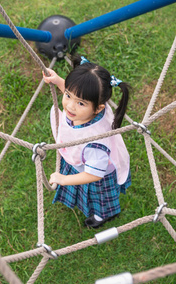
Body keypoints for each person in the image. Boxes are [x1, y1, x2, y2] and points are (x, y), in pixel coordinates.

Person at [43, 55, 131, 228]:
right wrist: (59, 81)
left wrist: (63, 179)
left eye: (81, 103)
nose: (69, 106)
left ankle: (102, 216)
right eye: (68, 95)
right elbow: (75, 96)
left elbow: (93, 175)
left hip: (98, 173)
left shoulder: (95, 144)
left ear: (98, 108)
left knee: (99, 199)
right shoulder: (91, 109)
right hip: (80, 159)